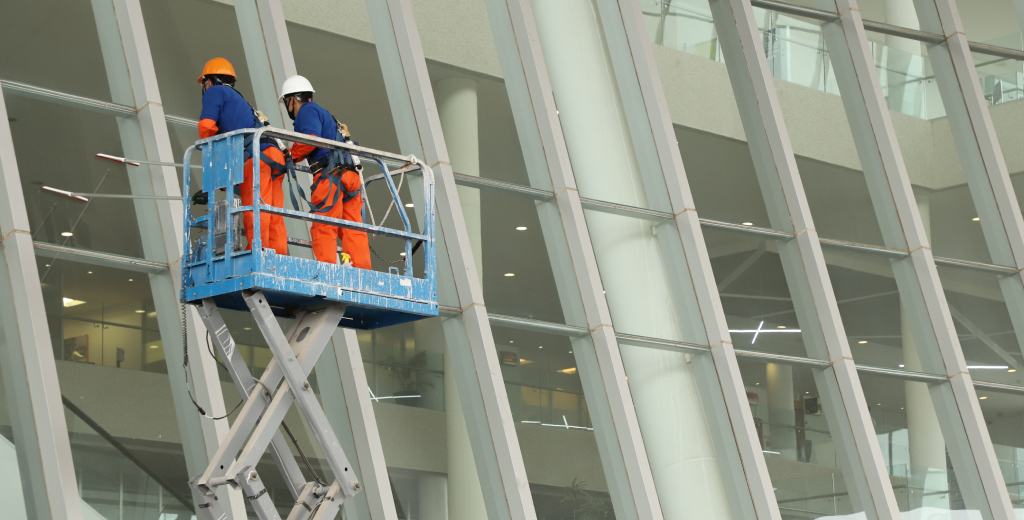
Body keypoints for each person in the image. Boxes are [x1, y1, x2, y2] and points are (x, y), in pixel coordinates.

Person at [196, 57, 288, 255]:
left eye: (204, 83)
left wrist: (205, 152)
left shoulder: (215, 91)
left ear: (209, 80)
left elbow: (207, 127)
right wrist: (210, 186)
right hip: (274, 156)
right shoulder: (239, 102)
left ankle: (257, 254)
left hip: (256, 157)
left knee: (255, 207)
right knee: (272, 213)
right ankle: (277, 257)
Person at [279, 75, 370, 269]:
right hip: (350, 176)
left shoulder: (307, 111)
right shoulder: (327, 115)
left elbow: (310, 140)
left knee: (324, 226)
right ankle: (362, 273)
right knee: (353, 230)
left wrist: (288, 157)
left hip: (331, 176)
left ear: (292, 99)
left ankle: (326, 272)